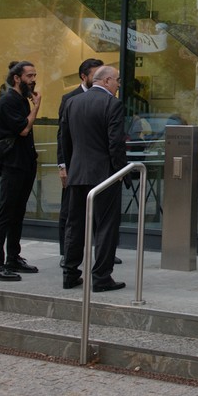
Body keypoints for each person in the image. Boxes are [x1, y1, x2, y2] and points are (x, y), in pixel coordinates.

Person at [59, 65, 128, 292]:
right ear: (106, 80)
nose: (118, 84)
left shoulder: (72, 102)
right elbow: (115, 144)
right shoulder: (112, 104)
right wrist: (121, 172)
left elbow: (65, 141)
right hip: (104, 175)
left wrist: (71, 168)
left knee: (75, 225)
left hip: (78, 174)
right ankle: (101, 277)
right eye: (117, 80)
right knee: (106, 226)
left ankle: (70, 274)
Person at [0, 60, 41, 282]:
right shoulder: (8, 101)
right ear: (17, 78)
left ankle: (13, 258)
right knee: (5, 214)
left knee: (18, 213)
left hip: (25, 163)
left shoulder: (21, 100)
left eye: (34, 75)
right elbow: (23, 129)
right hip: (12, 165)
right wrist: (36, 106)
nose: (33, 80)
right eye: (29, 76)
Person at [57, 58, 104, 267]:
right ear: (84, 76)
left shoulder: (106, 98)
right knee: (69, 211)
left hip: (97, 166)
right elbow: (62, 135)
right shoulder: (70, 98)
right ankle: (66, 253)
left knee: (99, 209)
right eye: (95, 74)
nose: (99, 78)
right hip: (75, 165)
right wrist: (62, 165)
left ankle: (101, 250)